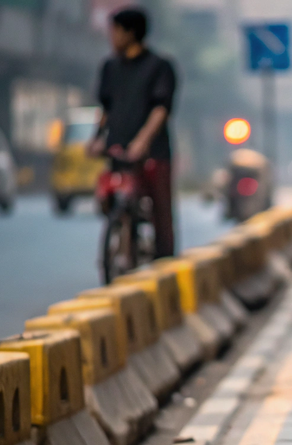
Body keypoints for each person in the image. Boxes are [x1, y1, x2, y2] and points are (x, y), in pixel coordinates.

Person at [87, 7, 178, 258]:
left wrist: (142, 141)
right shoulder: (109, 67)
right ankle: (121, 241)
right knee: (111, 199)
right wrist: (96, 139)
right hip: (118, 147)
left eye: (115, 31)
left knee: (160, 213)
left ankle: (163, 260)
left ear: (130, 33)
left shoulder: (159, 67)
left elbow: (161, 109)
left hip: (152, 151)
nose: (111, 37)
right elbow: (106, 108)